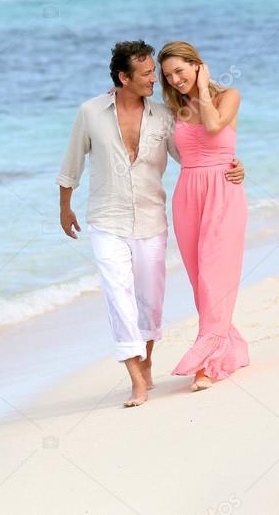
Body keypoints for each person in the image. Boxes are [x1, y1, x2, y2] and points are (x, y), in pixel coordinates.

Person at [57, 40, 245, 407]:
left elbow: (205, 141)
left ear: (197, 65)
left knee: (182, 290)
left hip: (180, 208)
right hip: (131, 212)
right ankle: (147, 373)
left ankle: (183, 361)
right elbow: (73, 163)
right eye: (155, 75)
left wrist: (235, 165)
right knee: (141, 290)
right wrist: (64, 207)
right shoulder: (101, 112)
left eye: (174, 72)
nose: (163, 81)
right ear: (124, 77)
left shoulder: (178, 110)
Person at [158, 40, 249, 392]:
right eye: (168, 75)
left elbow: (213, 126)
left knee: (216, 277)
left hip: (224, 192)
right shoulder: (174, 110)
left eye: (180, 70)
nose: (175, 79)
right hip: (187, 195)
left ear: (198, 65)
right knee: (200, 281)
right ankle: (226, 347)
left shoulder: (229, 96)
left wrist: (203, 88)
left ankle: (206, 365)